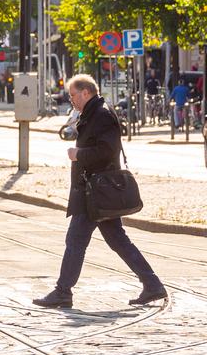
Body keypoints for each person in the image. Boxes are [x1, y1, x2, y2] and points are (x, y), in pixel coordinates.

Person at [33, 75, 166, 308]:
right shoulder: (93, 113)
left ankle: (63, 292)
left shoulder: (102, 114)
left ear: (85, 92)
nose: (70, 99)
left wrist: (79, 154)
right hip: (96, 189)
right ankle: (152, 285)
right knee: (118, 241)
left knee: (76, 240)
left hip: (95, 191)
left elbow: (107, 150)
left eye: (73, 95)